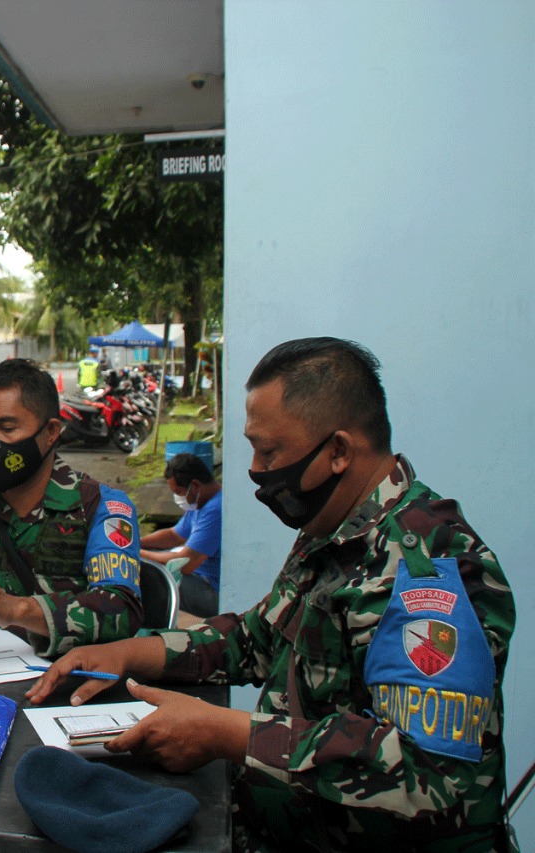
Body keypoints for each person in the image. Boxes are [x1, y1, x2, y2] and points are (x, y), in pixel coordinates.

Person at [29, 338, 515, 851]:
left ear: (339, 451)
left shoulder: (429, 567)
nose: (256, 470)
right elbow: (256, 638)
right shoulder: (333, 529)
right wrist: (128, 653)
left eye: (271, 451)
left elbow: (430, 777)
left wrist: (229, 734)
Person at [0, 359, 144, 657]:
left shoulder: (100, 508)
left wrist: (16, 609)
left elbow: (119, 610)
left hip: (67, 686)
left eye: (6, 427)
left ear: (51, 432)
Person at [139, 452, 221, 618]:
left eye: (179, 492)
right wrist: (137, 542)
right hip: (200, 578)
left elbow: (185, 563)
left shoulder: (215, 510)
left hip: (212, 590)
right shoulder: (200, 503)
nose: (178, 498)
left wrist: (135, 553)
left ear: (195, 485)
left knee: (146, 577)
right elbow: (174, 535)